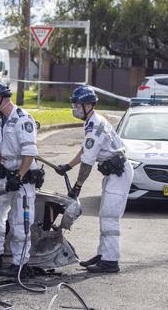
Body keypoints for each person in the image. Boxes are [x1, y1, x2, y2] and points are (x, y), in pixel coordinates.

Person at [54, 86, 133, 273]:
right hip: (114, 174)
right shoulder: (92, 122)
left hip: (118, 175)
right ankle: (103, 254)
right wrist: (68, 166)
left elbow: (88, 162)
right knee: (105, 215)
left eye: (78, 105)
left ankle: (111, 261)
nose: (75, 109)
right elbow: (84, 150)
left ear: (89, 105)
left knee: (109, 218)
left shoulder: (94, 127)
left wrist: (78, 186)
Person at [0, 81, 43, 277]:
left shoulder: (24, 120)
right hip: (7, 179)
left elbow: (29, 153)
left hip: (23, 181)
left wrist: (19, 175)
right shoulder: (1, 123)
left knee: (19, 225)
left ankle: (19, 265)